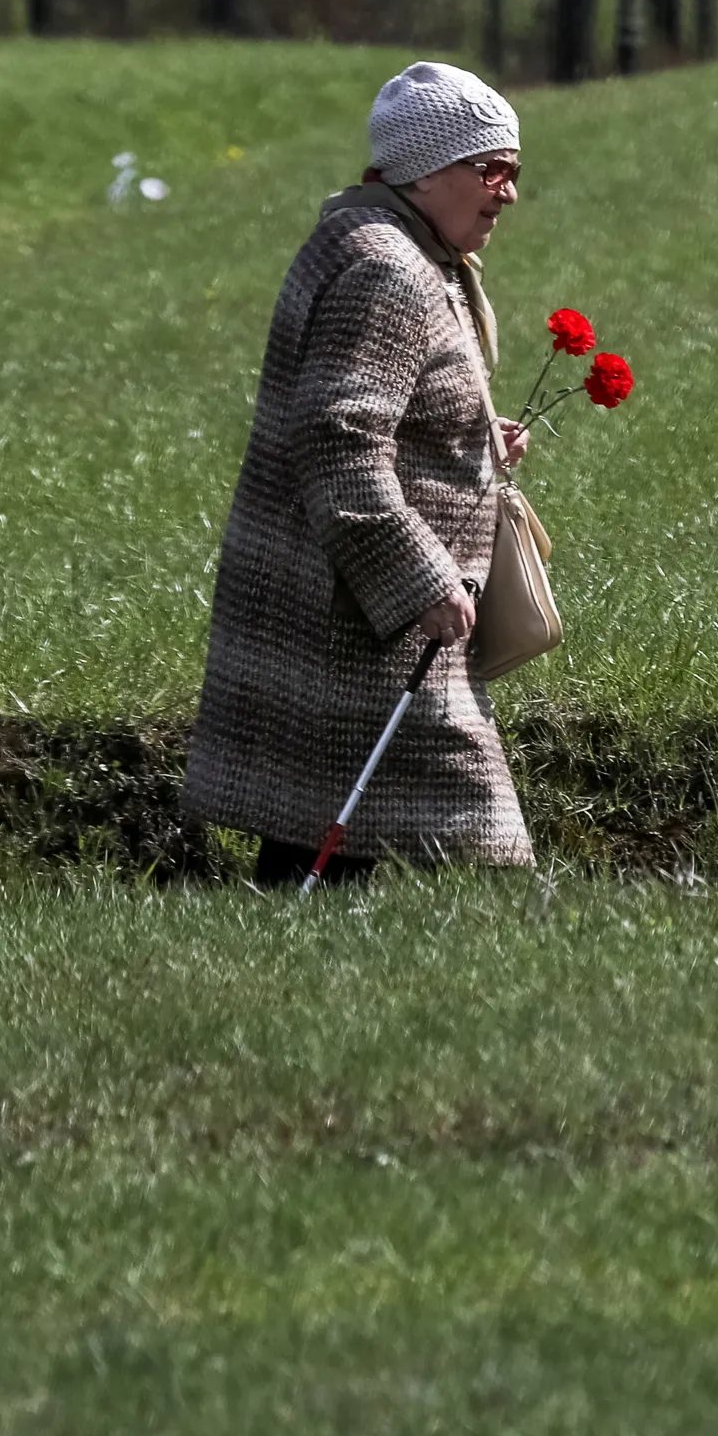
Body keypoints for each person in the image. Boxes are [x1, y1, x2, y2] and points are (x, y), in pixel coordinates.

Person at [184, 61, 537, 886]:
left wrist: (471, 434)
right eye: (493, 169)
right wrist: (421, 579)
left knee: (322, 838)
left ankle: (290, 955)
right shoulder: (389, 270)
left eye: (514, 171)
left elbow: (374, 409)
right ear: (427, 169)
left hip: (354, 608)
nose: (509, 193)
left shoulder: (399, 249)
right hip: (358, 616)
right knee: (348, 837)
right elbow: (338, 439)